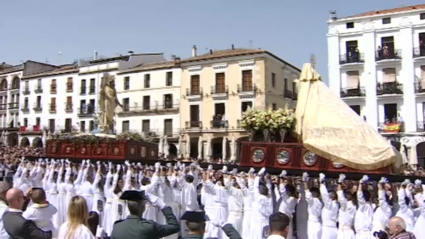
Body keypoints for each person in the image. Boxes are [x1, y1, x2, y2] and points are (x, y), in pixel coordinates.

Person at [110, 190, 180, 239]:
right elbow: (174, 227)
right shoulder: (149, 227)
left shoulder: (117, 227)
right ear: (143, 208)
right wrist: (162, 205)